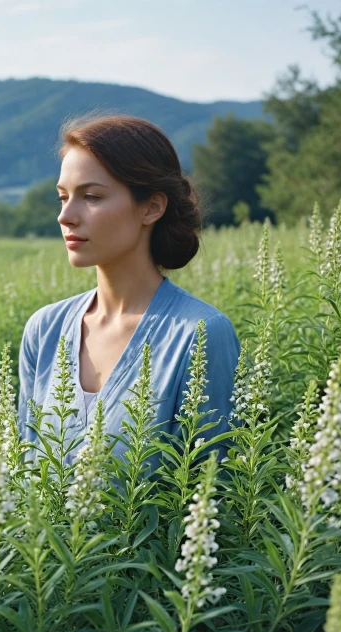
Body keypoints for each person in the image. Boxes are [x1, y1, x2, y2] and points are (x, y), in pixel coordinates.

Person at [16, 112, 241, 476]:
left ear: (152, 207)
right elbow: (22, 476)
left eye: (90, 196)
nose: (66, 216)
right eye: (62, 198)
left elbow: (214, 492)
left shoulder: (200, 334)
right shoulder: (45, 331)